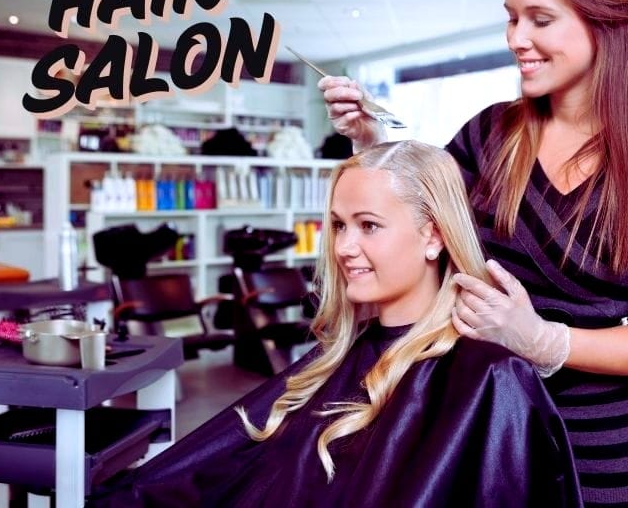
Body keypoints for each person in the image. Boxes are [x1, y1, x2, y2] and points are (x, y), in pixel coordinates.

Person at [320, 0, 628, 507]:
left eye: (540, 18)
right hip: (476, 448)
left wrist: (545, 341)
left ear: (607, 21)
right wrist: (372, 143)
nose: (515, 37)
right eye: (511, 16)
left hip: (600, 469)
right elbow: (421, 221)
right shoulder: (489, 135)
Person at [88, 140, 583, 507]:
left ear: (433, 237)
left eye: (368, 225)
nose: (344, 247)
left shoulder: (489, 378)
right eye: (340, 225)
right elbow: (212, 471)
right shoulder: (337, 360)